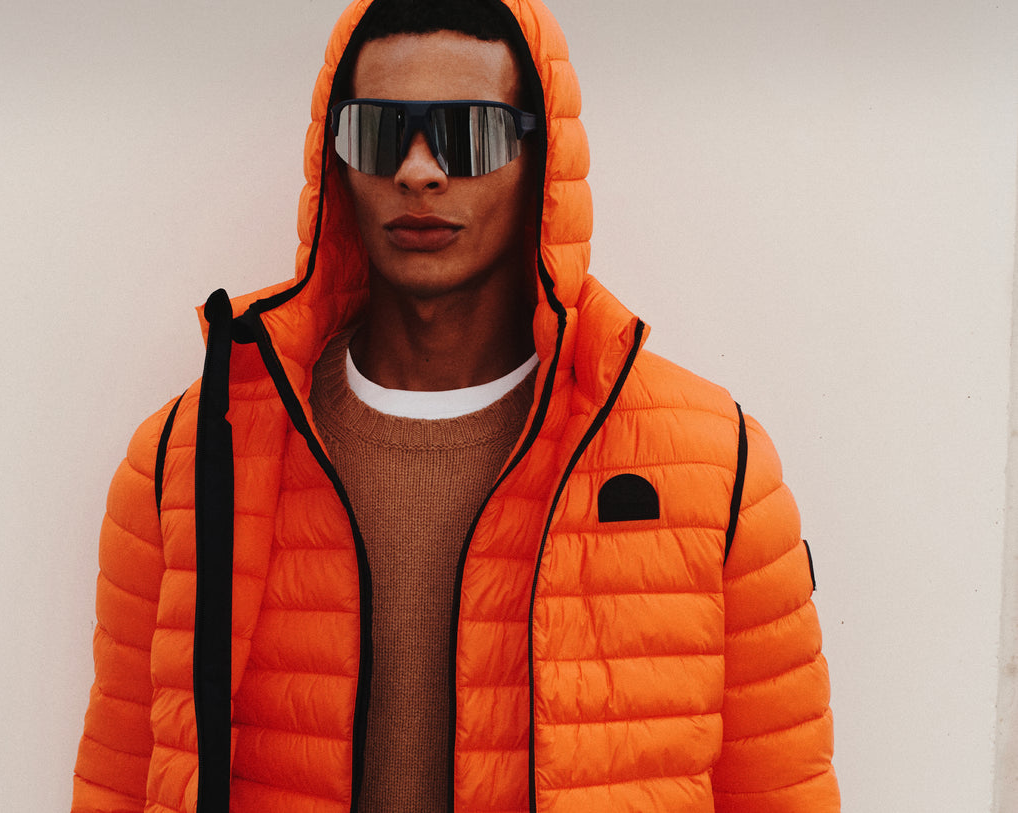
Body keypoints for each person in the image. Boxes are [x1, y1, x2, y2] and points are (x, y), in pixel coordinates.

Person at [71, 0, 839, 810]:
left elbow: (781, 793)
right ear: (334, 160)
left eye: (468, 133)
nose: (418, 170)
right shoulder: (188, 459)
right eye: (377, 132)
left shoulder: (715, 467)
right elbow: (122, 781)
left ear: (541, 160)